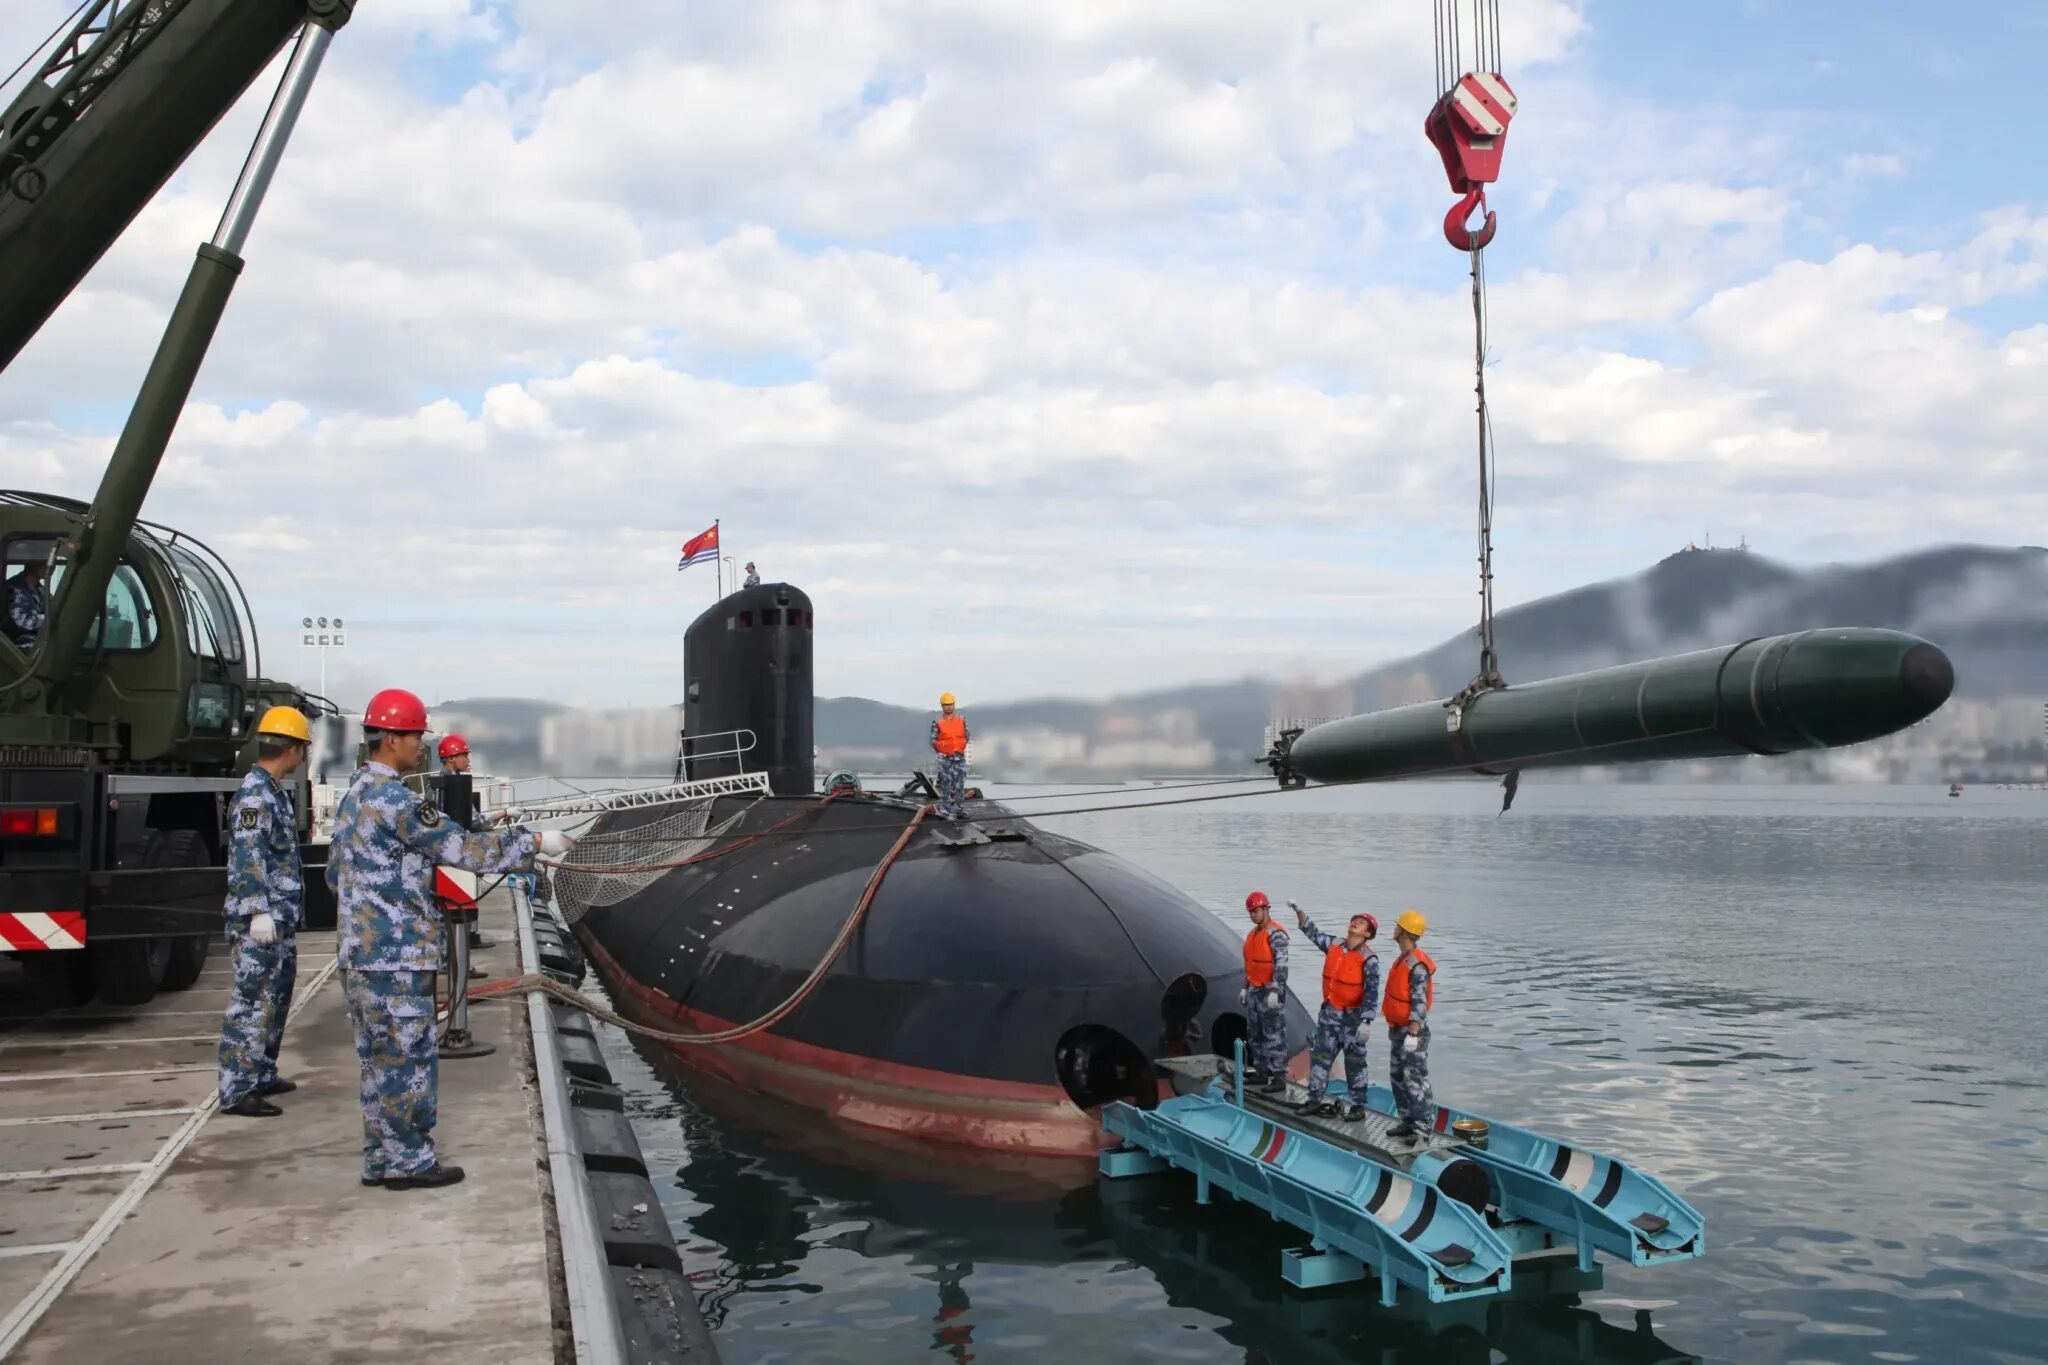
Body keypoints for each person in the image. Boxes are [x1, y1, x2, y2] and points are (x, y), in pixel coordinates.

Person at [328, 687, 567, 1190]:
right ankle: (409, 1163)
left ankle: (381, 1159)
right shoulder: (396, 800)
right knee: (407, 1060)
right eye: (417, 736)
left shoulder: (353, 798)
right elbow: (462, 848)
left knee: (377, 1063)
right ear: (392, 738)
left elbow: (334, 875)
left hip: (360, 955)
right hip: (396, 956)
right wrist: (536, 842)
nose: (423, 746)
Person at [215, 706, 312, 1118]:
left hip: (280, 917)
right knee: (252, 1001)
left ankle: (262, 1071)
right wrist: (257, 911)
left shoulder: (273, 791)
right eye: (302, 748)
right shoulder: (256, 795)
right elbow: (247, 857)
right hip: (260, 920)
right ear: (291, 749)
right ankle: (237, 1088)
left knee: (276, 997)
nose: (303, 756)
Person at [1290, 901, 1381, 1121]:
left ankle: (1358, 1107)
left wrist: (1366, 1022)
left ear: (1368, 934)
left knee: (1355, 1064)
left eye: (1362, 923)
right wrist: (1300, 912)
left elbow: (1371, 993)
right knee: (1321, 1059)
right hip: (1330, 1016)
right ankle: (1314, 1100)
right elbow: (1313, 933)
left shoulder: (1369, 960)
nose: (1356, 923)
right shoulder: (1334, 945)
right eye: (1355, 920)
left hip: (1352, 1020)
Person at [1383, 910, 1438, 1141]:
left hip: (1411, 1031)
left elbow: (1419, 999)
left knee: (1414, 1078)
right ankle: (1407, 1121)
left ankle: (1422, 1127)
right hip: (1398, 1029)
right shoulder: (1403, 959)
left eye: (1398, 926)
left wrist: (1414, 1031)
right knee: (1397, 1076)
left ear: (1404, 932)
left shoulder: (1417, 964)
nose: (1394, 929)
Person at [436, 733, 495, 949]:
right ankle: (461, 946)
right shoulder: (454, 785)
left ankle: (461, 943)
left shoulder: (439, 783)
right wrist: (505, 813)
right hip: (456, 849)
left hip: (448, 848)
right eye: (463, 755)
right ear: (451, 758)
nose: (467, 760)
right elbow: (475, 820)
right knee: (457, 903)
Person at [1238, 891, 1290, 1092]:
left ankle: (1278, 1076)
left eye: (1257, 910)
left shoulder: (1276, 934)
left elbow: (1281, 964)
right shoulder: (1252, 936)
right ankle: (1260, 1071)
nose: (1253, 915)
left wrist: (1276, 989)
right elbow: (1251, 965)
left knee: (1274, 1034)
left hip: (1270, 991)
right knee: (1255, 1033)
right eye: (1251, 911)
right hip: (1255, 990)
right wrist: (1245, 987)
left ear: (1266, 909)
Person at [929, 692, 970, 820]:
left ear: (954, 705)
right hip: (945, 758)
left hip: (959, 757)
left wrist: (959, 749)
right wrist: (943, 752)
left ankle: (959, 810)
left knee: (959, 784)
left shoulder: (961, 720)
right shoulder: (938, 722)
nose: (948, 707)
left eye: (950, 704)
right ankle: (944, 810)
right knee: (945, 783)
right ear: (942, 706)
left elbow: (967, 736)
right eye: (945, 705)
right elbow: (933, 740)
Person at [4, 559, 48, 650]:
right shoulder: (12, 588)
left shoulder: (41, 589)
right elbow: (24, 621)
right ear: (32, 563)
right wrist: (52, 619)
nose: (51, 567)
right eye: (45, 562)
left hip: (40, 644)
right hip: (19, 647)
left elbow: (54, 607)